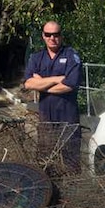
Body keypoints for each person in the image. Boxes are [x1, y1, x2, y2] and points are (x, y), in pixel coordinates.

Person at [23, 21, 83, 171]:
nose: (52, 38)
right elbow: (29, 84)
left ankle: (70, 187)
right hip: (46, 116)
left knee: (70, 158)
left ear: (61, 36)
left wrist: (41, 84)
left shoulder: (71, 56)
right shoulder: (36, 58)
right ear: (43, 36)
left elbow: (70, 85)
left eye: (56, 34)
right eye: (48, 34)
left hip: (67, 115)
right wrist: (57, 79)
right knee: (45, 156)